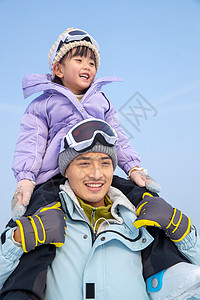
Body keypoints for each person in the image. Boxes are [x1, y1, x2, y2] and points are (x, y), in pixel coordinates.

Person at [1, 119, 200, 300]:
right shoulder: (42, 215)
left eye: (105, 163)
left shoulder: (139, 216)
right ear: (66, 170)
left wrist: (182, 230)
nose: (96, 174)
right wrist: (17, 240)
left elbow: (191, 280)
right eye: (84, 163)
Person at [11, 27, 161, 221]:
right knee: (40, 212)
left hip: (96, 171)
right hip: (56, 175)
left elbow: (118, 138)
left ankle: (165, 227)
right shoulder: (43, 104)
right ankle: (20, 243)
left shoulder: (102, 101)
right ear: (59, 69)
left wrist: (133, 168)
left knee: (141, 196)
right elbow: (31, 142)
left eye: (92, 62)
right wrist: (26, 178)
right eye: (79, 60)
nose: (87, 66)